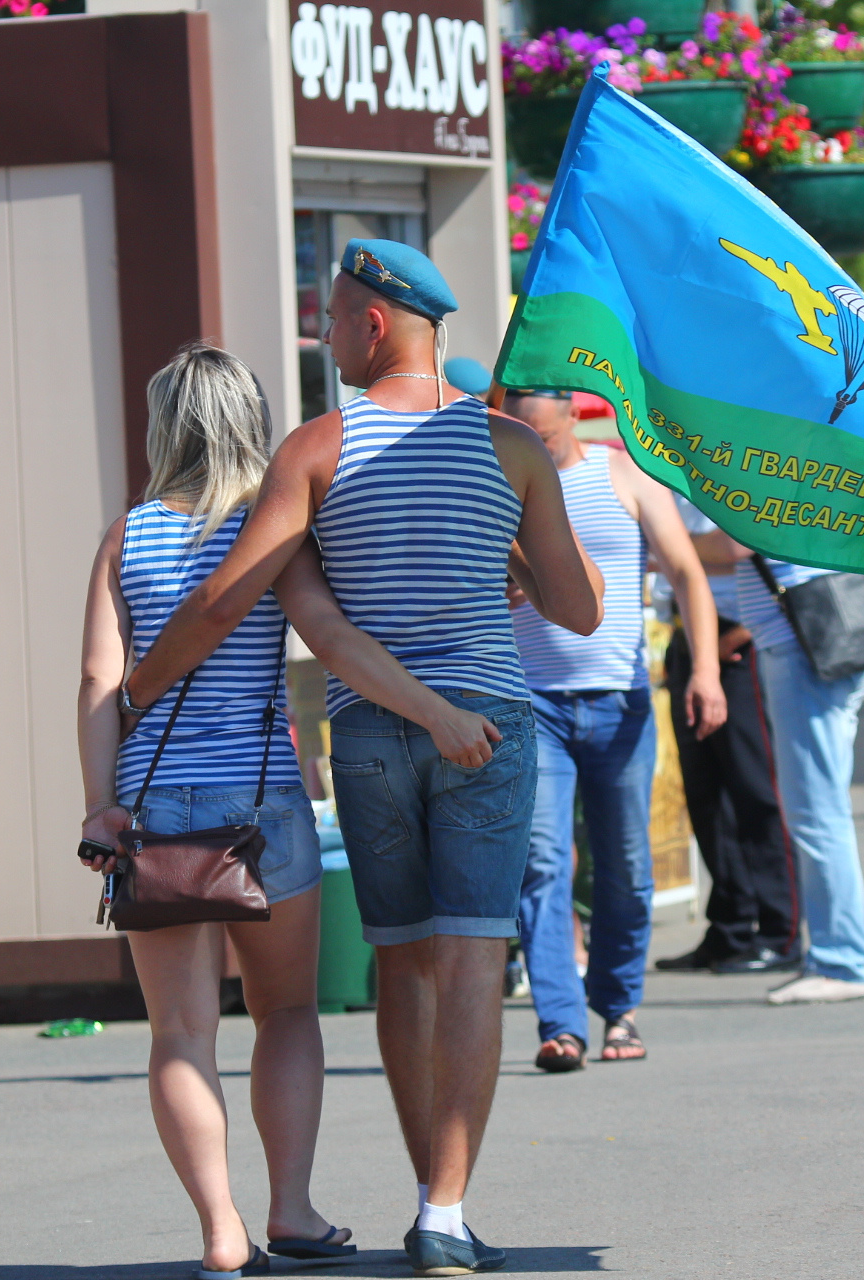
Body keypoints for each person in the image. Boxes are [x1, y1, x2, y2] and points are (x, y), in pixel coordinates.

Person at [120, 240, 603, 1277]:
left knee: (402, 959)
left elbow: (229, 595)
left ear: (374, 325)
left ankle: (426, 1182)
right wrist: (503, 543)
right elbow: (577, 608)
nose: (323, 334)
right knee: (476, 951)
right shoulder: (513, 448)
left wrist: (141, 686)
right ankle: (445, 1204)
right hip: (486, 719)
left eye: (332, 318)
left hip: (374, 729)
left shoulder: (315, 450)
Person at [76, 344, 357, 1280]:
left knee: (180, 1034)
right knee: (285, 1015)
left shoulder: (127, 536)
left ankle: (218, 1231)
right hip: (263, 801)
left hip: (155, 812)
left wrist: (100, 807)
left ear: (166, 428)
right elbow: (321, 636)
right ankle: (293, 1210)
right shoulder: (271, 528)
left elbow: (97, 682)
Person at [503, 389, 727, 1072]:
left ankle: (619, 1007)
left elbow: (687, 573)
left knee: (626, 870)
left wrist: (706, 673)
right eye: (522, 434)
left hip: (619, 701)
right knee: (541, 862)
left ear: (574, 416)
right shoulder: (501, 481)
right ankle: (561, 1022)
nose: (535, 447)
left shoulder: (622, 475)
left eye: (544, 433)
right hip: (534, 702)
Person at [656, 509, 802, 975]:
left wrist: (670, 546)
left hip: (737, 641)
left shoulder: (734, 456)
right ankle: (731, 929)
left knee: (756, 793)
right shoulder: (665, 475)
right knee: (706, 798)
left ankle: (782, 933)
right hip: (687, 639)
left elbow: (741, 544)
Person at [732, 555, 864, 1004]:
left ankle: (842, 961)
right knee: (820, 812)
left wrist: (663, 547)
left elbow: (730, 547)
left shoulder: (757, 484)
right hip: (809, 643)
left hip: (800, 648)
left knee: (817, 816)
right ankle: (835, 957)